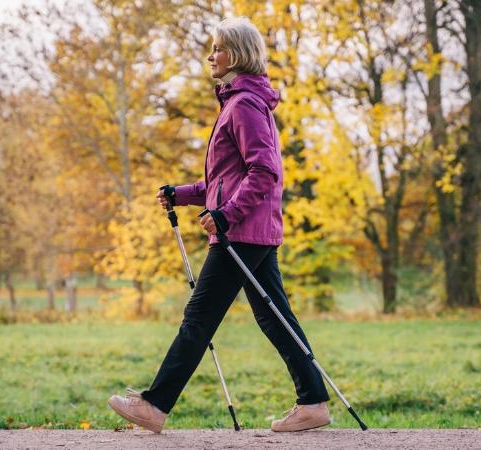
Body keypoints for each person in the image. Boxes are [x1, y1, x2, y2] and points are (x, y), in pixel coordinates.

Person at [107, 17, 331, 433]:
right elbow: (222, 181)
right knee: (273, 315)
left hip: (240, 231)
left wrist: (227, 216)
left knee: (199, 317)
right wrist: (183, 193)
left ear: (238, 54)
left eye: (218, 48)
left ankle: (154, 406)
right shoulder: (237, 102)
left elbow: (265, 171)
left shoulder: (244, 104)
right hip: (250, 229)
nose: (211, 55)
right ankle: (314, 402)